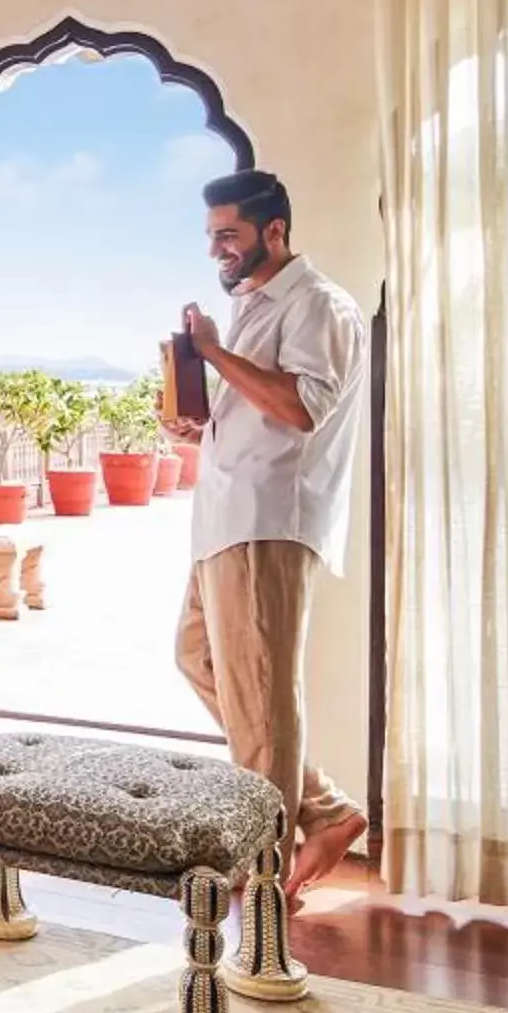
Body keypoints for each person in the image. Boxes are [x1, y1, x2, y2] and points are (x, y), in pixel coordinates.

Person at [165, 169, 371, 909]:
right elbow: (258, 412)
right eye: (212, 236)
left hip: (267, 526)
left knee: (263, 699)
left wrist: (215, 355)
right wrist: (201, 426)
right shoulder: (261, 306)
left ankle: (264, 879)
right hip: (225, 523)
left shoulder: (317, 304)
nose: (218, 249)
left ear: (274, 231)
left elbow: (301, 408)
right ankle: (323, 808)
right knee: (200, 660)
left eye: (230, 234)